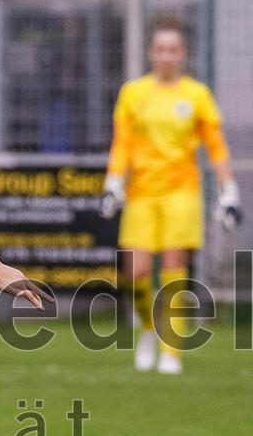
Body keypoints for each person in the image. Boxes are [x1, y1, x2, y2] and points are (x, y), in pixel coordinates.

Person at [101, 20, 242, 374]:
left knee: (174, 270)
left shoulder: (196, 95)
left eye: (173, 49)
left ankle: (171, 350)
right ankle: (149, 329)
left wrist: (228, 188)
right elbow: (122, 142)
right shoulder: (133, 92)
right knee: (135, 272)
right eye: (160, 49)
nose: (166, 56)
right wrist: (114, 180)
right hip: (141, 193)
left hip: (182, 192)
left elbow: (215, 146)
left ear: (182, 54)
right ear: (152, 53)